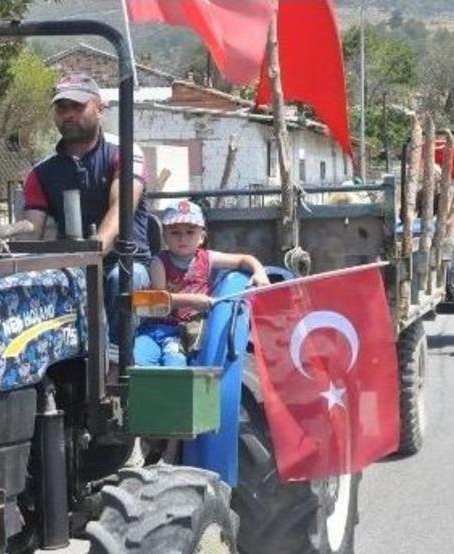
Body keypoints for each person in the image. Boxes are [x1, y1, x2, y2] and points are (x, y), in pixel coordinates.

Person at [21, 72, 151, 344]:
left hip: (124, 260)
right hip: (72, 263)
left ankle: (116, 365)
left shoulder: (125, 152)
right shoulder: (41, 173)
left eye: (77, 107)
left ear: (100, 109)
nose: (68, 115)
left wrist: (94, 252)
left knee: (122, 281)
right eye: (62, 108)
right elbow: (30, 234)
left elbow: (120, 209)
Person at [135, 201, 269, 367]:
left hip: (188, 332)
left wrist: (259, 271)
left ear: (201, 237)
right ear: (165, 236)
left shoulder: (207, 258)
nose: (182, 238)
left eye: (190, 232)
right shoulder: (159, 262)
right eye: (175, 232)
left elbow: (243, 259)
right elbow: (159, 301)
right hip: (158, 328)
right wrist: (192, 300)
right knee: (137, 358)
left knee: (174, 363)